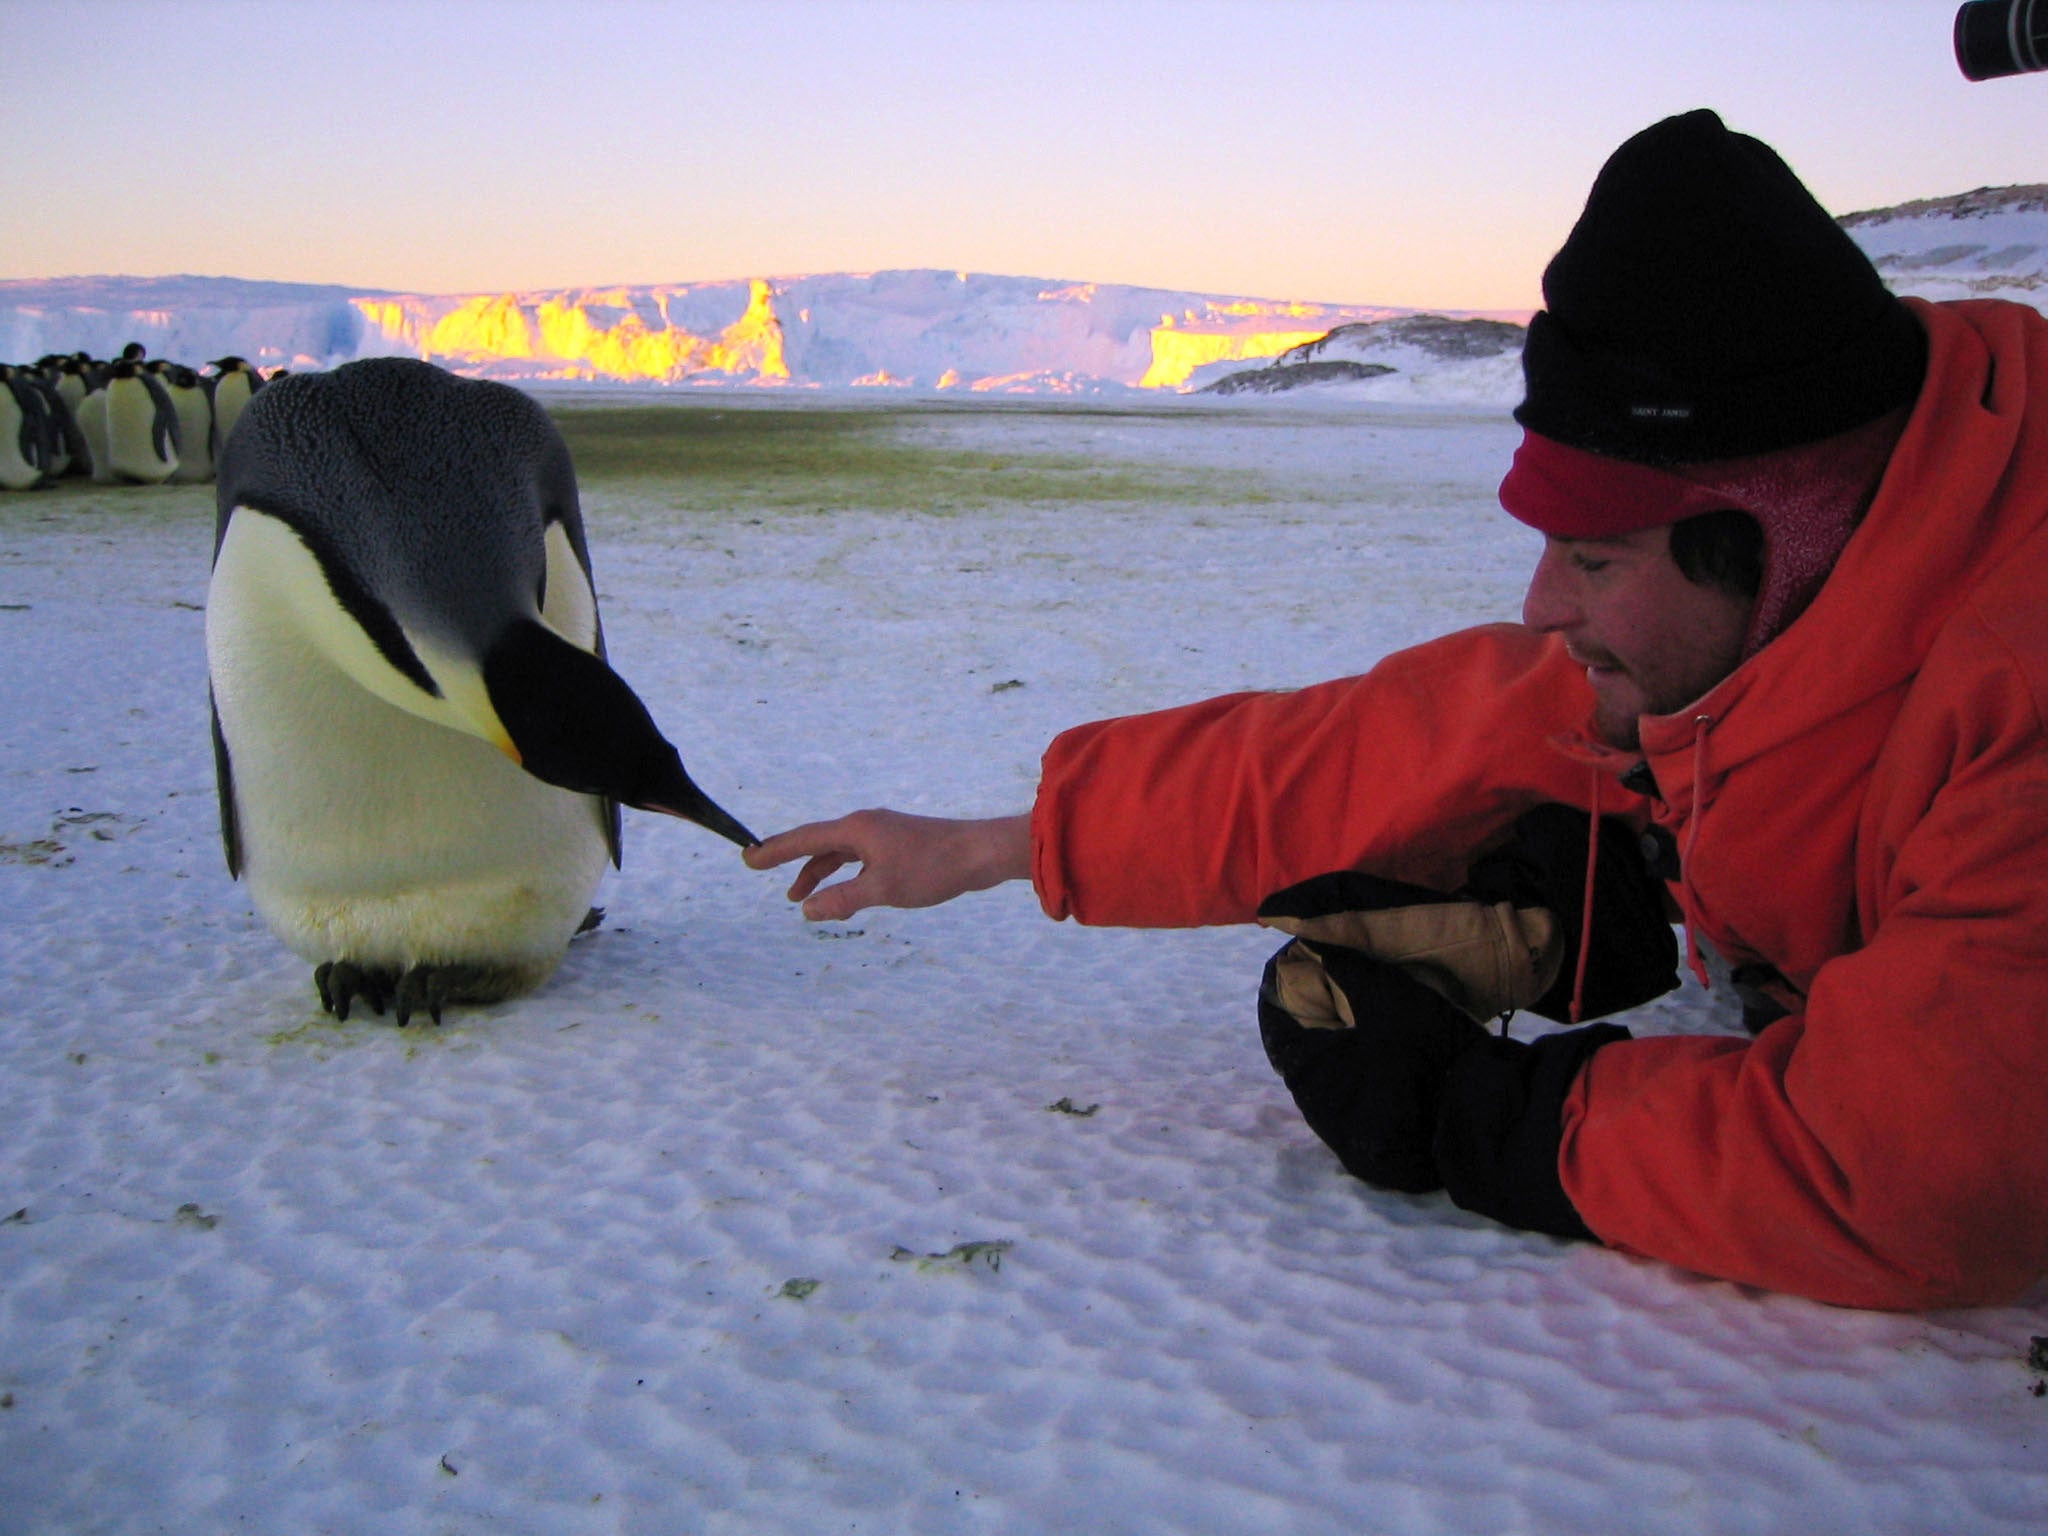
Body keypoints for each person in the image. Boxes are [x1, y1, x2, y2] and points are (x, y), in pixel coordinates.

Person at [745, 109, 2048, 1312]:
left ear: (1777, 532)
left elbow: (1922, 1180)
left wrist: (1490, 1120)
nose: (1544, 606)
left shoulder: (2021, 698)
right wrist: (994, 845)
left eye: (1595, 558)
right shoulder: (1803, 592)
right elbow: (1369, 754)